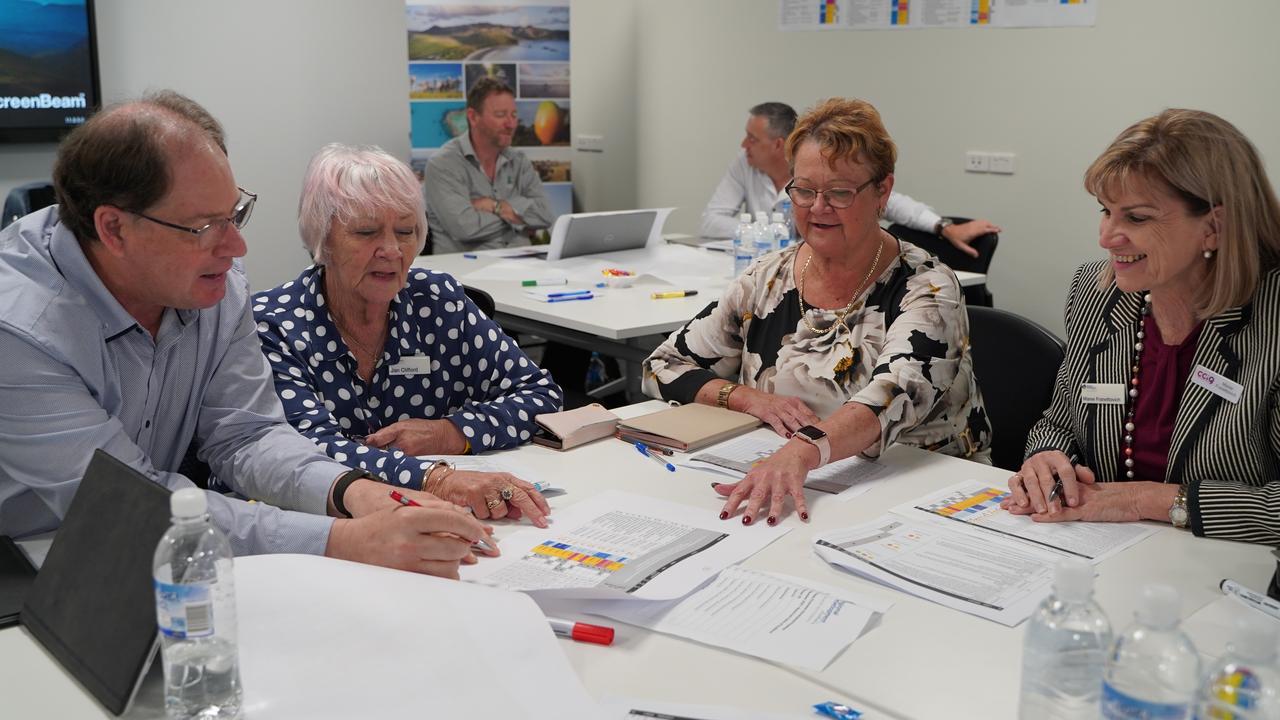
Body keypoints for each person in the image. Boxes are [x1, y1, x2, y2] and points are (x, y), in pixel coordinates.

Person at [0, 90, 492, 578]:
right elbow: (124, 503)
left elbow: (246, 435)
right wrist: (340, 539)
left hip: (152, 540)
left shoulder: (214, 286)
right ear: (114, 229)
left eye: (234, 215)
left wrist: (353, 491)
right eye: (204, 227)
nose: (236, 246)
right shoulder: (19, 329)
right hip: (24, 560)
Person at [645, 98, 991, 526]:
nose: (817, 208)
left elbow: (891, 397)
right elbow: (662, 366)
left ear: (882, 191)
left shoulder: (927, 286)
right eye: (804, 190)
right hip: (800, 485)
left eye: (839, 193)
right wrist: (747, 398)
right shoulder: (768, 278)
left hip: (922, 496)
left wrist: (802, 450)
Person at [1004, 109, 1280, 547]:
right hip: (1098, 554)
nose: (1107, 236)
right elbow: (1059, 421)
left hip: (1229, 570)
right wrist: (1045, 458)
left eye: (1136, 218)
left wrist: (1145, 500)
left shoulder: (1272, 321)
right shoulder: (1097, 293)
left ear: (1214, 227)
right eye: (1105, 211)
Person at [254, 143, 561, 526]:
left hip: (449, 525)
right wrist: (436, 479)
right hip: (322, 533)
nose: (391, 250)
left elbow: (542, 396)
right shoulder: (274, 325)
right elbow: (307, 453)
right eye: (366, 232)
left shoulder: (436, 301)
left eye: (405, 231)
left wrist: (451, 433)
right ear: (323, 239)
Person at [700, 101, 1001, 258]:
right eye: (804, 191)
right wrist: (763, 232)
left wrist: (942, 226)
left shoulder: (819, 162)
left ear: (778, 145)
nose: (743, 145)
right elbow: (711, 221)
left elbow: (895, 204)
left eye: (752, 139)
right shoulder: (745, 164)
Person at [424, 78, 553, 254]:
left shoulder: (519, 160)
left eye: (514, 115)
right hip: (465, 272)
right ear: (473, 117)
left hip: (523, 266)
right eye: (501, 115)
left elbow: (545, 215)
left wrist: (495, 206)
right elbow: (465, 228)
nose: (511, 124)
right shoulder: (443, 164)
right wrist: (520, 220)